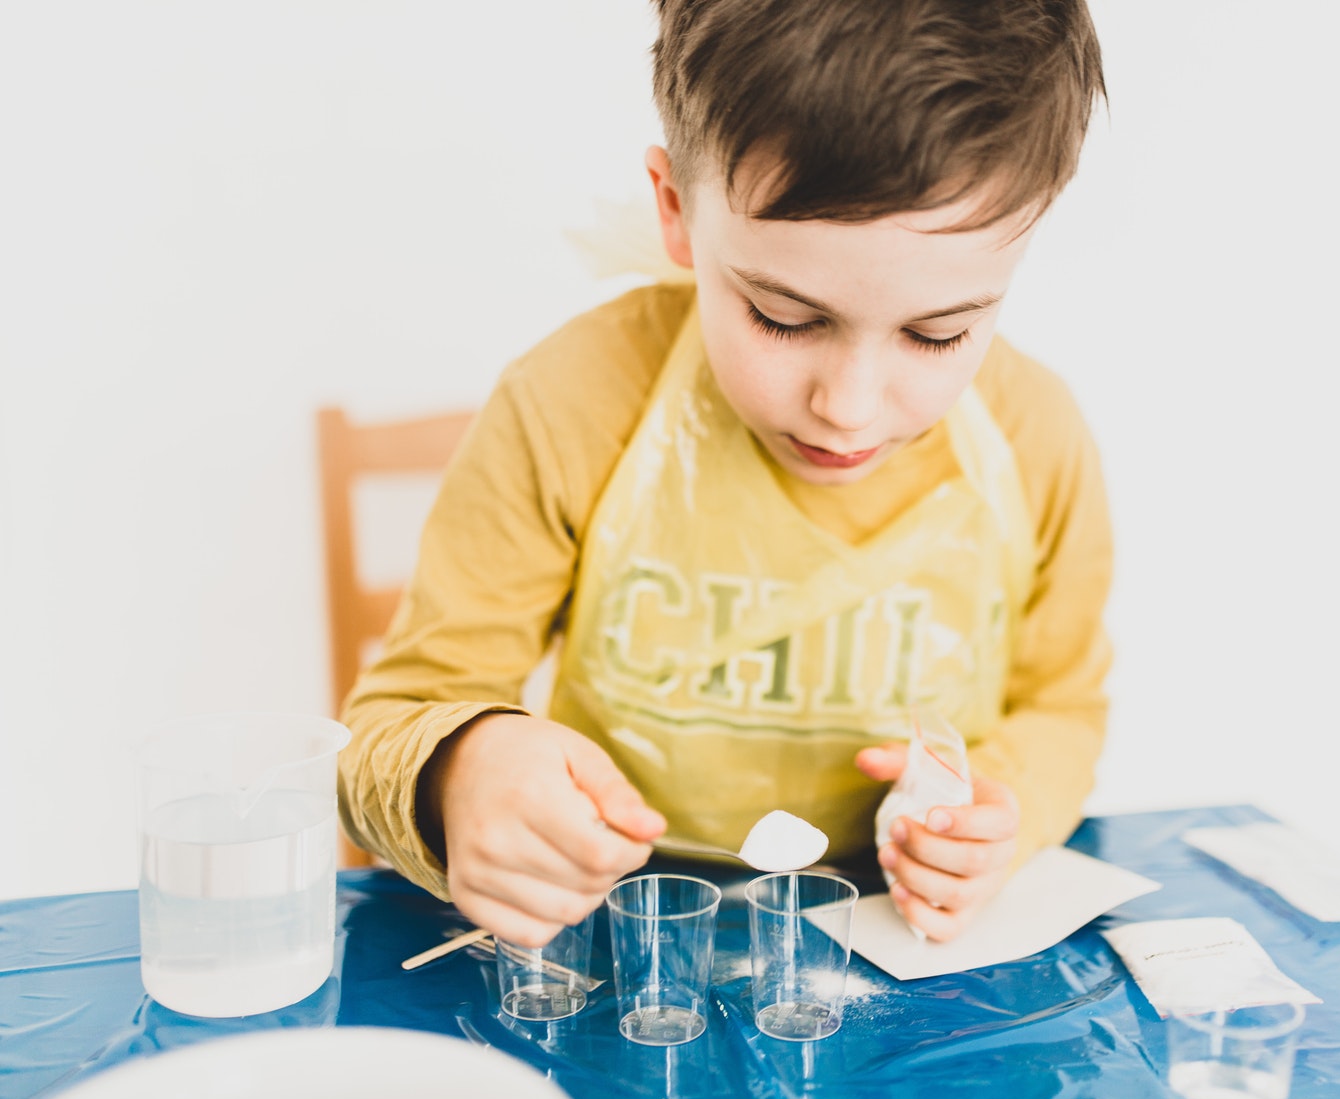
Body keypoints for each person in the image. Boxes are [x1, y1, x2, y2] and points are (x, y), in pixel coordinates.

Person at [339, 0, 1112, 947]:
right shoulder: (572, 404)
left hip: (895, 938)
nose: (851, 405)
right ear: (675, 211)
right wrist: (459, 767)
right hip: (629, 931)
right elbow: (384, 729)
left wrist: (1008, 809)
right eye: (786, 317)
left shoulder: (1036, 437)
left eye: (938, 332)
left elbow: (1063, 706)